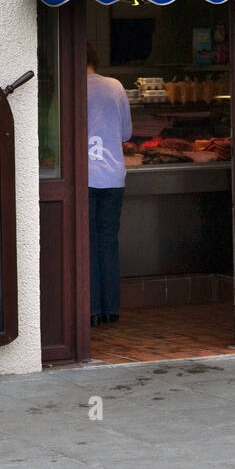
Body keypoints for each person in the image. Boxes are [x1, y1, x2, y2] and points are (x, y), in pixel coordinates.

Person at [86, 43, 132, 327]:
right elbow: (126, 132)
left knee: (87, 242)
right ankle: (111, 308)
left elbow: (54, 133)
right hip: (113, 175)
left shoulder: (70, 86)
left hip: (84, 175)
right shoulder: (115, 86)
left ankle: (90, 309)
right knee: (107, 241)